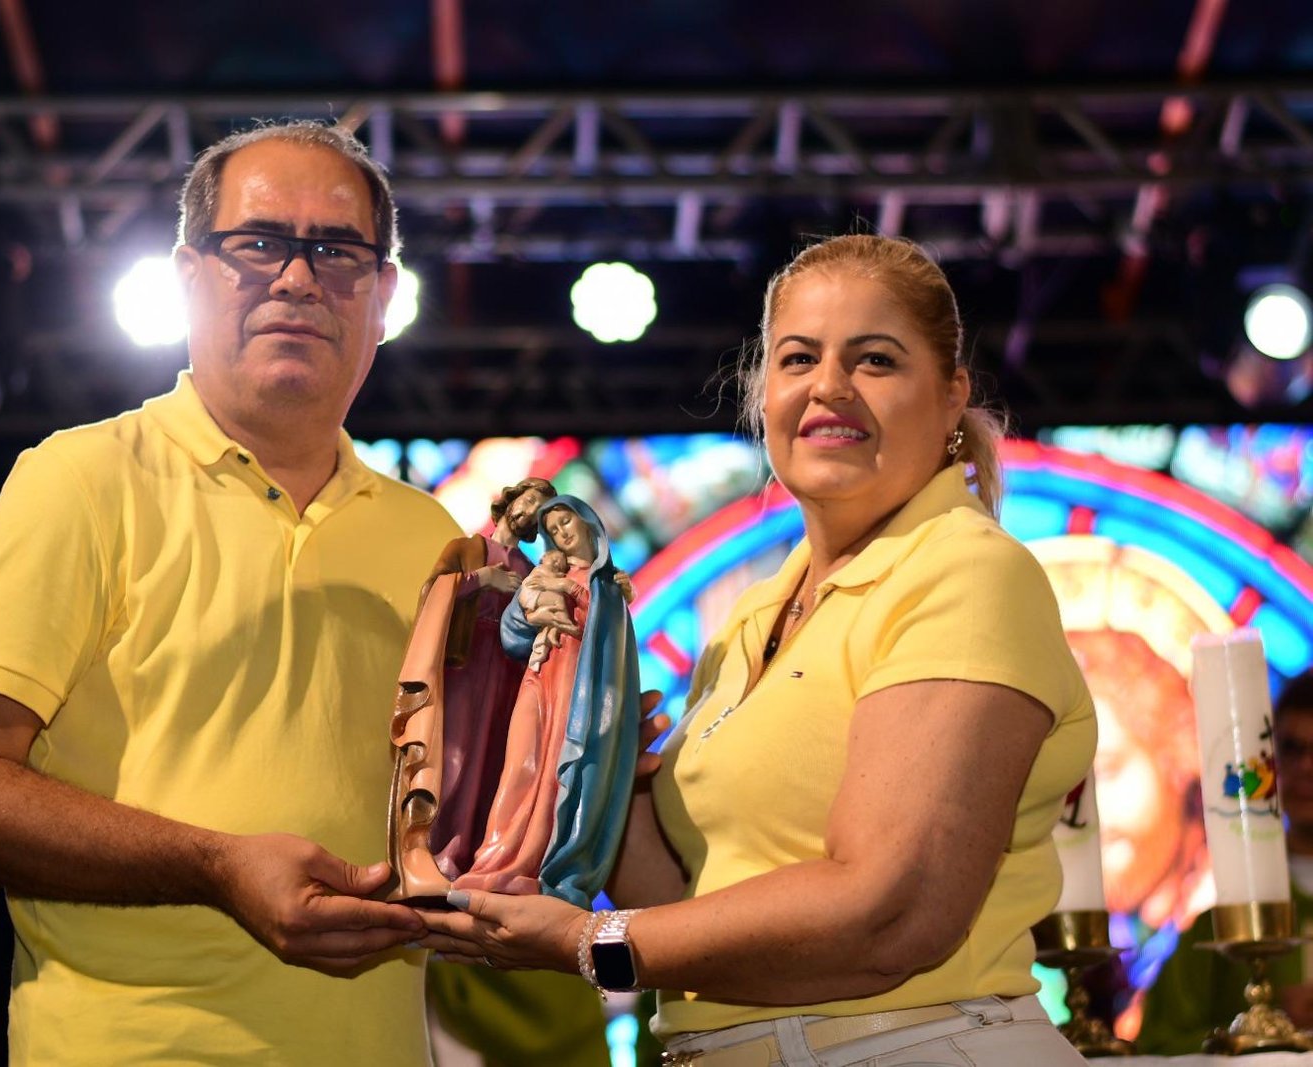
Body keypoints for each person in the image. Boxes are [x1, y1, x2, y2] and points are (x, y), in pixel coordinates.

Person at [419, 234, 1098, 1066]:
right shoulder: (752, 616)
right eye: (798, 357)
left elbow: (889, 912)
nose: (829, 387)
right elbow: (693, 909)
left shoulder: (966, 570)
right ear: (764, 390)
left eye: (876, 360)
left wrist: (587, 941)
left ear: (952, 393)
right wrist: (599, 761)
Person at [0, 121, 464, 1065]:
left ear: (385, 294)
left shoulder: (434, 539)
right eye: (259, 242)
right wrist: (216, 867)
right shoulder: (80, 478)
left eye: (337, 250)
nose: (296, 277)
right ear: (190, 273)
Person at [454, 496, 640, 908]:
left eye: (565, 523)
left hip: (579, 698)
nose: (561, 533)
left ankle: (542, 867)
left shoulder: (608, 585)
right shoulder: (542, 574)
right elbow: (511, 634)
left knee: (561, 778)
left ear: (588, 523)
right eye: (553, 530)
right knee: (519, 766)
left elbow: (610, 650)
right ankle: (495, 861)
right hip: (540, 679)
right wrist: (528, 615)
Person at [1137, 669, 1313, 1053]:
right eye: (1292, 749)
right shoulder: (1219, 925)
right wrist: (1264, 1031)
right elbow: (1158, 1046)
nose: (1306, 768)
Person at [426, 476, 557, 879]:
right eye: (529, 501)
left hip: (505, 669)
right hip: (465, 661)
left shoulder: (531, 569)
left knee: (490, 760)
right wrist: (483, 579)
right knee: (455, 754)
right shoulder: (469, 549)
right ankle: (432, 848)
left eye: (540, 511)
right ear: (512, 501)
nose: (530, 512)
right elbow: (433, 590)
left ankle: (467, 852)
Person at [519, 548, 579, 671]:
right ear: (544, 557)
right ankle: (565, 622)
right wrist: (560, 577)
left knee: (556, 602)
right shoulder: (540, 569)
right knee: (558, 600)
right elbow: (549, 577)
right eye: (555, 559)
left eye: (560, 565)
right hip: (531, 594)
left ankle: (554, 630)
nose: (557, 564)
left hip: (535, 596)